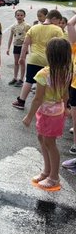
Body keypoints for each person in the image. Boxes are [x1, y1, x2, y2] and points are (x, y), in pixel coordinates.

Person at [21, 37, 72, 192]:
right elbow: (66, 94)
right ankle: (47, 171)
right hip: (55, 112)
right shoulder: (68, 71)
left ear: (49, 54)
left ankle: (54, 177)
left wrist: (29, 116)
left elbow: (37, 99)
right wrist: (66, 107)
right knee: (42, 139)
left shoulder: (43, 74)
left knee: (50, 144)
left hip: (48, 114)